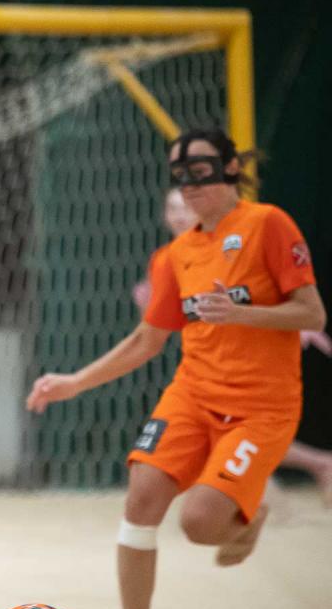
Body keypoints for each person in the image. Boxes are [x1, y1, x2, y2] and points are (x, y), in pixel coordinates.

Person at [26, 127, 324, 609]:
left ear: (231, 169)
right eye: (181, 175)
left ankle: (246, 517)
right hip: (193, 394)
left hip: (261, 407)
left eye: (201, 171)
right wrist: (75, 382)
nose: (190, 184)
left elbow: (312, 313)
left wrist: (242, 313)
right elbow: (146, 340)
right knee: (141, 495)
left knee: (200, 524)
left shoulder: (267, 224)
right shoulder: (174, 256)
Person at [135, 190, 332, 507]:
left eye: (185, 207)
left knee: (238, 427)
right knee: (217, 429)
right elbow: (160, 324)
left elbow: (274, 300)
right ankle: (278, 483)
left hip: (258, 356)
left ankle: (292, 478)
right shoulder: (167, 258)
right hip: (211, 360)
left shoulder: (232, 246)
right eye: (172, 208)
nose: (180, 215)